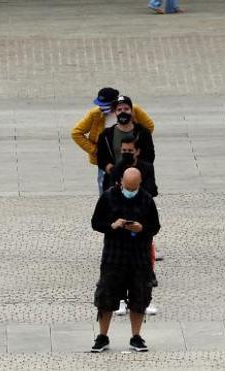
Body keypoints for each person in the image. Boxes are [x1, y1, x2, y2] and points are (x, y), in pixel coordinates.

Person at [90, 168, 160, 353]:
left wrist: (141, 229)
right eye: (127, 187)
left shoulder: (146, 199)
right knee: (106, 296)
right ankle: (102, 336)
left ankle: (136, 336)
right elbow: (96, 223)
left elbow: (155, 226)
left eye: (133, 187)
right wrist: (112, 226)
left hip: (139, 257)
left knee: (140, 296)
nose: (130, 190)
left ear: (139, 183)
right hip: (114, 256)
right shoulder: (108, 197)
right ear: (121, 181)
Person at [109, 136, 160, 316]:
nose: (126, 154)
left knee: (144, 264)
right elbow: (110, 193)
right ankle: (121, 300)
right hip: (122, 222)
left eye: (130, 151)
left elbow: (153, 190)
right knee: (120, 265)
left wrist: (138, 187)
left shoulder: (146, 168)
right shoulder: (118, 168)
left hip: (141, 220)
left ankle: (145, 300)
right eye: (124, 151)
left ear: (137, 151)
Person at [71, 88, 154, 194]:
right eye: (100, 104)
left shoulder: (132, 110)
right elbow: (76, 133)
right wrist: (95, 150)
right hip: (108, 161)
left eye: (105, 104)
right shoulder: (95, 113)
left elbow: (149, 126)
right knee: (106, 192)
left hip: (131, 160)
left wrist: (138, 142)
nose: (102, 107)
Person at [96, 96, 156, 189]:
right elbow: (101, 158)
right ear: (115, 112)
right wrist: (112, 170)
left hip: (139, 181)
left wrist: (135, 170)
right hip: (114, 183)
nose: (123, 112)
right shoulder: (106, 135)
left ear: (131, 111)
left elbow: (149, 157)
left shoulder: (143, 132)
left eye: (126, 109)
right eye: (119, 109)